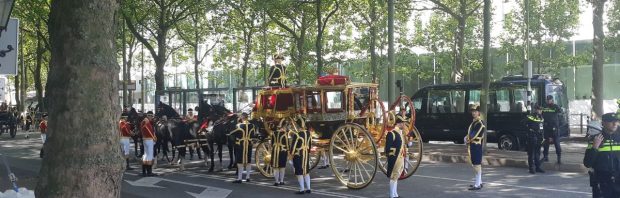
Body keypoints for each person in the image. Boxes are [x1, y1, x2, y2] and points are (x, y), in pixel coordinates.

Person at [583, 113, 620, 197]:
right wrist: (595, 147)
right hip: (601, 183)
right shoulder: (595, 139)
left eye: (616, 121)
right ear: (603, 123)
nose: (614, 124)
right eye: (611, 122)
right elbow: (587, 163)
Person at [464, 104, 486, 190]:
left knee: (477, 165)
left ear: (479, 113)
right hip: (473, 145)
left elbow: (474, 135)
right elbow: (470, 133)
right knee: (476, 164)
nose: (473, 113)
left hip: (476, 145)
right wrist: (466, 137)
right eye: (473, 111)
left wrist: (467, 139)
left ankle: (477, 185)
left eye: (475, 111)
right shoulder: (474, 122)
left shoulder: (480, 123)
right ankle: (479, 182)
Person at [231, 113, 256, 183]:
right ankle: (248, 177)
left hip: (240, 145)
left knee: (239, 162)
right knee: (248, 161)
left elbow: (232, 133)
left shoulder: (238, 125)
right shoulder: (252, 125)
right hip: (248, 144)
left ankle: (239, 178)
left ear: (242, 117)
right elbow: (253, 135)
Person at [385, 112, 405, 198]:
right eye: (402, 122)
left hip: (400, 157)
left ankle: (395, 194)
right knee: (393, 176)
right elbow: (387, 148)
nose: (404, 124)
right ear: (398, 123)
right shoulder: (391, 133)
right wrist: (391, 156)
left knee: (396, 176)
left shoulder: (400, 133)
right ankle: (391, 195)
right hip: (395, 158)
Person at [291, 115, 311, 194]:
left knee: (299, 172)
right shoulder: (308, 133)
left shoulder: (297, 134)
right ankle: (309, 188)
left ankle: (302, 189)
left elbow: (293, 146)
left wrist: (291, 155)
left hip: (298, 155)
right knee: (306, 171)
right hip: (306, 154)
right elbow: (310, 145)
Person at [524, 105, 545, 174]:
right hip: (532, 137)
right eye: (539, 110)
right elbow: (524, 124)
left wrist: (542, 137)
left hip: (539, 137)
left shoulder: (541, 117)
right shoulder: (531, 116)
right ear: (536, 110)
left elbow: (541, 127)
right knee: (531, 154)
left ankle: (537, 167)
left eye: (541, 110)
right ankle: (531, 168)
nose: (540, 111)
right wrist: (529, 131)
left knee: (537, 154)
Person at [542, 95, 562, 164]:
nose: (548, 101)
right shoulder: (544, 106)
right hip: (547, 128)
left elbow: (560, 112)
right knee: (546, 144)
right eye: (547, 100)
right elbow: (542, 114)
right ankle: (545, 157)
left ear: (552, 100)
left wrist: (556, 107)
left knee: (557, 144)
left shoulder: (555, 106)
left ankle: (559, 158)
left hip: (554, 128)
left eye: (549, 100)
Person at [141, 111, 157, 177]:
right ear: (149, 116)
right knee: (150, 155)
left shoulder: (143, 121)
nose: (152, 118)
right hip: (149, 140)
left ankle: (144, 171)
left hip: (145, 139)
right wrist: (154, 137)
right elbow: (149, 130)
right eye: (151, 116)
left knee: (145, 155)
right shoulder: (147, 122)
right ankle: (149, 172)